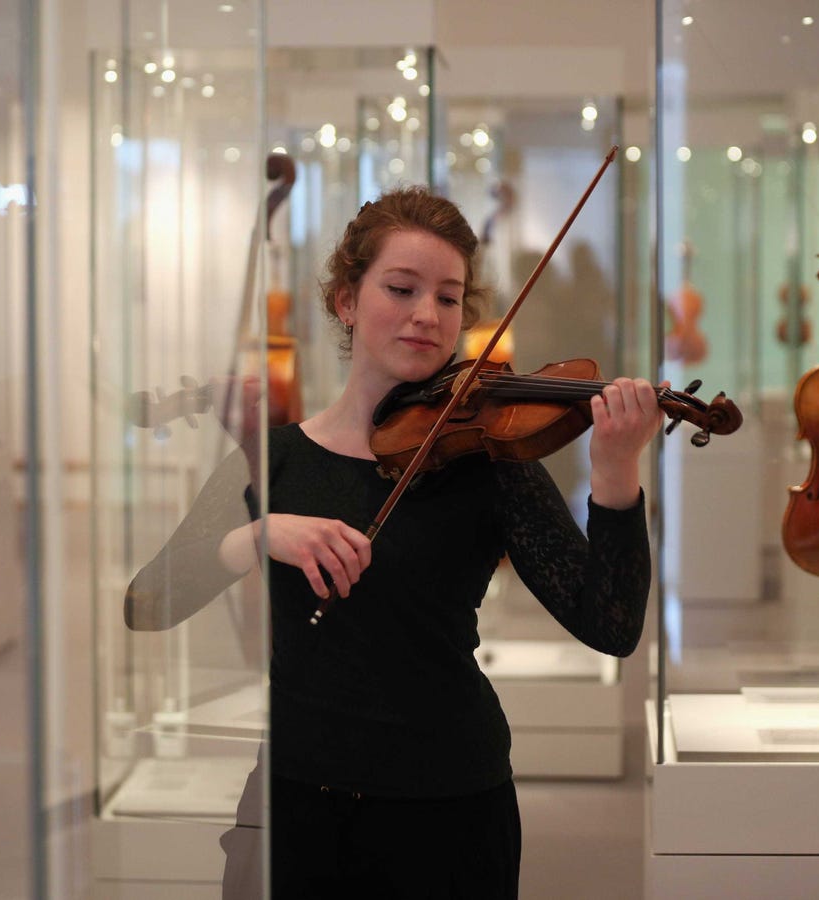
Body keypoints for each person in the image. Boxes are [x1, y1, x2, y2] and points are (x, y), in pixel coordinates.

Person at [124, 186, 663, 899]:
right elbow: (146, 603)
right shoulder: (276, 459)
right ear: (346, 300)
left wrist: (616, 475)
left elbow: (611, 626)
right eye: (402, 289)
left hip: (447, 807)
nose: (427, 315)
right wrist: (256, 536)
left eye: (448, 298)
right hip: (295, 801)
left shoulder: (490, 460)